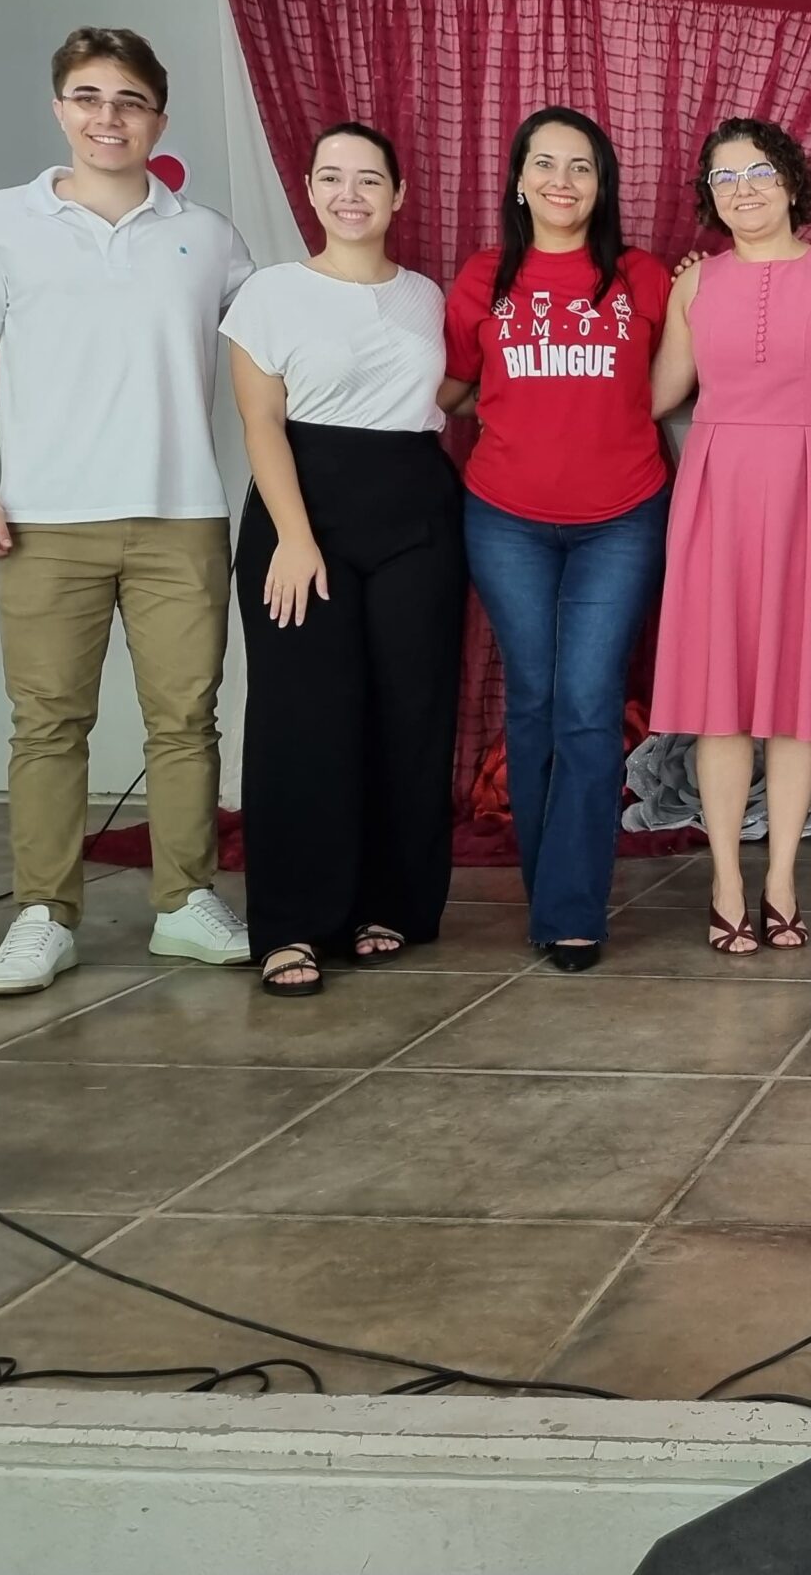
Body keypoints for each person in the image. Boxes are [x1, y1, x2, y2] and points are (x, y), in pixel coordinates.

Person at [0, 26, 255, 996]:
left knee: (186, 721)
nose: (107, 117)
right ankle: (43, 914)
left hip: (180, 514)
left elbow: (269, 354)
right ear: (59, 107)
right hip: (42, 516)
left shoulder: (209, 236)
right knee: (47, 722)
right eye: (87, 97)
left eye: (128, 101)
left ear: (160, 116)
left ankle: (184, 904)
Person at [648, 117, 811, 954]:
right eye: (724, 178)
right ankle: (726, 880)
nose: (744, 189)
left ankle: (782, 878)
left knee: (794, 708)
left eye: (758, 172)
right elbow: (657, 398)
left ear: (791, 182)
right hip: (714, 495)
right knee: (720, 708)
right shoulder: (696, 286)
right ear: (709, 197)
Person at [224, 124, 465, 997]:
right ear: (311, 190)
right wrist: (293, 535)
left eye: (369, 178)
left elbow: (452, 390)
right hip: (303, 515)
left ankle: (391, 901)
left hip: (415, 510)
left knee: (411, 711)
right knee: (303, 717)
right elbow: (260, 423)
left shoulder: (430, 297)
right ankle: (292, 924)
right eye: (332, 177)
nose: (350, 192)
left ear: (399, 195)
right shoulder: (269, 294)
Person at [440, 108, 672, 971]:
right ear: (519, 179)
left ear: (602, 184)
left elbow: (674, 380)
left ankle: (574, 909)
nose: (563, 181)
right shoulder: (481, 279)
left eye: (581, 166)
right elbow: (457, 390)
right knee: (533, 700)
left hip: (621, 516)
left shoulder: (644, 278)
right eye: (546, 163)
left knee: (586, 701)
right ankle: (550, 893)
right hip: (505, 519)